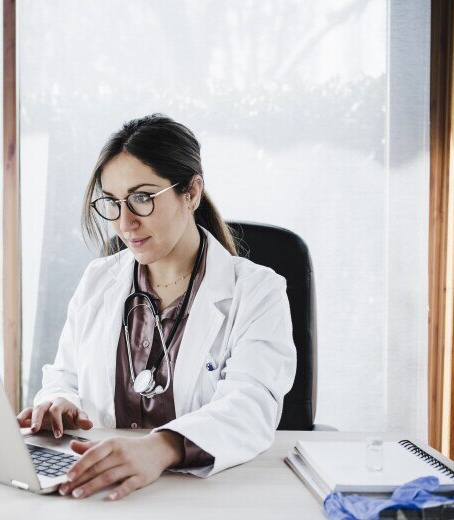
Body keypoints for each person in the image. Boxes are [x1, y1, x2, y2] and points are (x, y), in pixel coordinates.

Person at [17, 114, 296, 501]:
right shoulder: (98, 281)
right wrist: (59, 403)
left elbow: (251, 405)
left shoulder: (257, 291)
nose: (125, 222)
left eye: (142, 198)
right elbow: (65, 377)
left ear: (192, 192)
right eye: (112, 203)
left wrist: (160, 448)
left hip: (206, 495)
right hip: (103, 491)